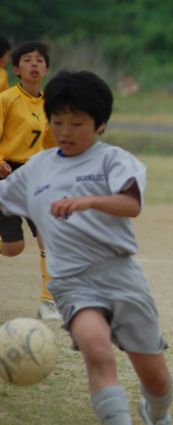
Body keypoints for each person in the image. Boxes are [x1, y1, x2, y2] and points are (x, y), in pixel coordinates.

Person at [0, 70, 173, 425]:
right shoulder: (37, 169)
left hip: (120, 274)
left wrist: (88, 201)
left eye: (77, 123)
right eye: (57, 122)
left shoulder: (113, 160)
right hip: (71, 282)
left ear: (100, 124)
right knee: (97, 350)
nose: (65, 131)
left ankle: (157, 414)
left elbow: (131, 204)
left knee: (155, 378)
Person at [0, 40, 61, 320]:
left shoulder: (50, 105)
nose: (34, 64)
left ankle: (48, 302)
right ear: (16, 69)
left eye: (39, 60)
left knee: (49, 235)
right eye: (27, 60)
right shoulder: (6, 99)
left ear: (46, 69)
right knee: (14, 249)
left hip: (36, 175)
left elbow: (52, 143)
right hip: (7, 174)